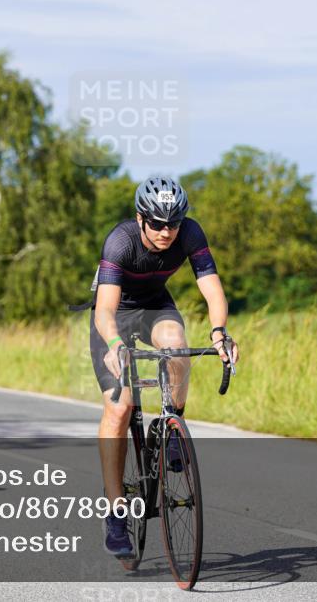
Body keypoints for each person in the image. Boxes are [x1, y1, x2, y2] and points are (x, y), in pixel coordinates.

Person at [89, 176, 239, 557]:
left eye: (173, 223)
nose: (166, 232)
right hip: (115, 318)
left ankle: (172, 423)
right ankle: (115, 512)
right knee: (120, 406)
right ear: (141, 219)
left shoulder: (189, 233)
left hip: (157, 306)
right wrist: (115, 344)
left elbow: (212, 288)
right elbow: (105, 308)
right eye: (156, 224)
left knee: (176, 345)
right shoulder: (120, 241)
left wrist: (220, 332)